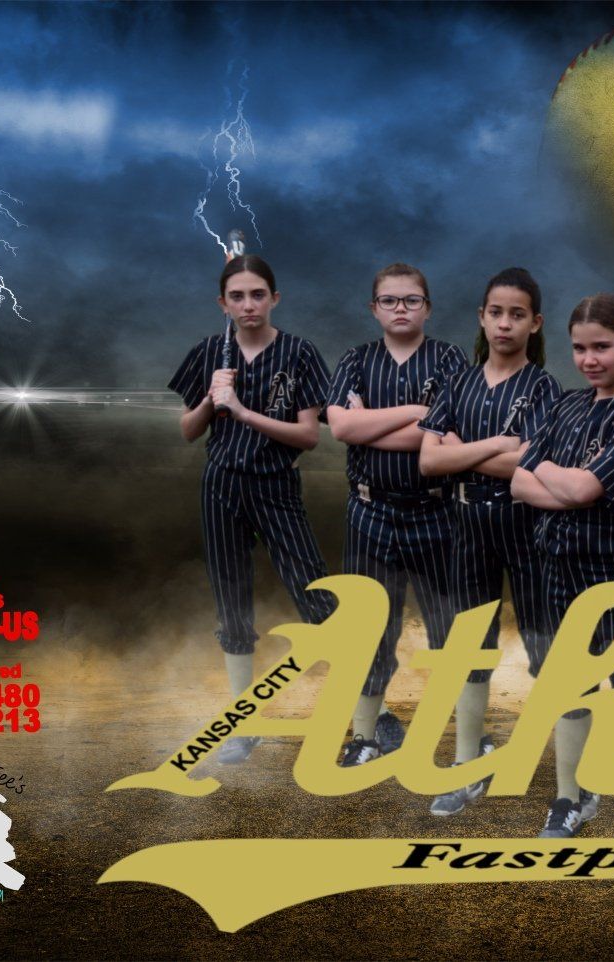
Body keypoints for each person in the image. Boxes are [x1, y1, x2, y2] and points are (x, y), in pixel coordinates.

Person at [513, 293, 614, 838]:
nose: (589, 359)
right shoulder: (567, 404)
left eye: (602, 347)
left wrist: (552, 472)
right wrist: (566, 481)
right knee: (568, 689)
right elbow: (519, 480)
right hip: (558, 570)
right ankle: (570, 800)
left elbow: (582, 487)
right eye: (579, 349)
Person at [168, 254, 334, 766]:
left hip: (275, 485)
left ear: (274, 298)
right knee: (232, 604)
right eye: (237, 297)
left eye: (257, 294)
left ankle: (367, 711)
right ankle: (244, 724)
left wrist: (240, 410)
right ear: (223, 303)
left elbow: (309, 436)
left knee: (315, 595)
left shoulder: (300, 353)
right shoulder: (208, 352)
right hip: (221, 485)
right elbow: (189, 430)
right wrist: (211, 399)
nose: (248, 305)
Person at [417, 267, 563, 816]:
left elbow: (533, 465)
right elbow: (429, 461)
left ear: (535, 323)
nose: (505, 323)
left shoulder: (543, 387)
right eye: (496, 312)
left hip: (526, 525)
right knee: (469, 650)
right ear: (482, 317)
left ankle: (572, 779)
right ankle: (467, 764)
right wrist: (499, 445)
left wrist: (463, 450)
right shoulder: (459, 381)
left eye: (517, 314)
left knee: (549, 649)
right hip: (467, 526)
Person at [324, 263, 468, 766]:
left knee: (450, 629)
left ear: (428, 307)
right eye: (389, 300)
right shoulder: (356, 359)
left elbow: (451, 438)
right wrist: (416, 413)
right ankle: (364, 737)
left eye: (411, 300)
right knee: (367, 630)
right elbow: (341, 429)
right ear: (374, 308)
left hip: (436, 512)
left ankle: (465, 745)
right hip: (370, 511)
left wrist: (369, 421)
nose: (400, 308)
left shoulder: (450, 359)